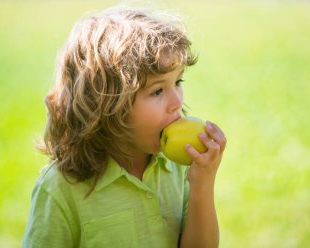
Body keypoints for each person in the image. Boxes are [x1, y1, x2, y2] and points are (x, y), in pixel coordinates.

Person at [22, 4, 227, 248]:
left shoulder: (177, 168)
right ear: (106, 104)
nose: (177, 102)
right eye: (157, 91)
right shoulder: (61, 188)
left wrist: (202, 185)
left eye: (178, 82)